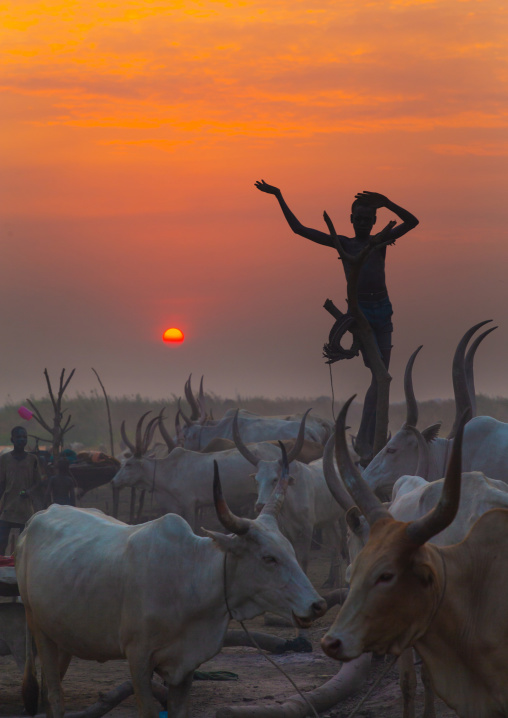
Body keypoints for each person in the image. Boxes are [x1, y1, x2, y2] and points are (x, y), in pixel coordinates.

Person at [254, 181, 419, 457]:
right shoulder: (343, 243)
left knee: (382, 379)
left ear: (374, 220)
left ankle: (371, 440)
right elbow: (299, 229)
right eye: (359, 218)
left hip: (383, 309)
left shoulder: (379, 241)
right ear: (351, 220)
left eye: (369, 219)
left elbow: (412, 221)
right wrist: (279, 196)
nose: (364, 223)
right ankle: (367, 443)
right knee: (379, 376)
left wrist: (388, 201)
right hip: (362, 312)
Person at [0, 426, 43, 555]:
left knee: (23, 542)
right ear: (12, 439)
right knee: (2, 540)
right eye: (18, 437)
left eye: (24, 437)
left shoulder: (32, 459)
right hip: (8, 506)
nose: (22, 440)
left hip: (25, 508)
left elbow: (38, 482)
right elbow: (1, 484)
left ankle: (19, 568)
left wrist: (29, 491)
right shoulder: (4, 459)